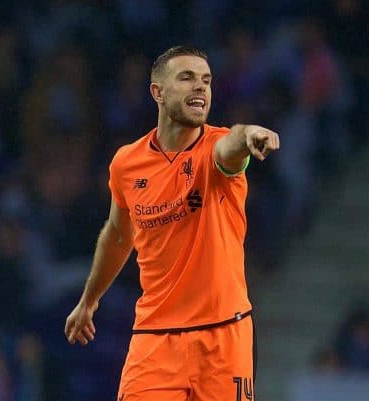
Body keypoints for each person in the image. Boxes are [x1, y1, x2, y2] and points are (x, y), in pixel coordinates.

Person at [64, 46, 279, 401]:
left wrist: (250, 133)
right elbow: (118, 235)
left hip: (223, 337)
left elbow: (234, 142)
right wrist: (89, 301)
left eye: (207, 81)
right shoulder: (127, 163)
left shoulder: (215, 150)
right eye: (187, 78)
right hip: (155, 337)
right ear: (157, 92)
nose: (200, 88)